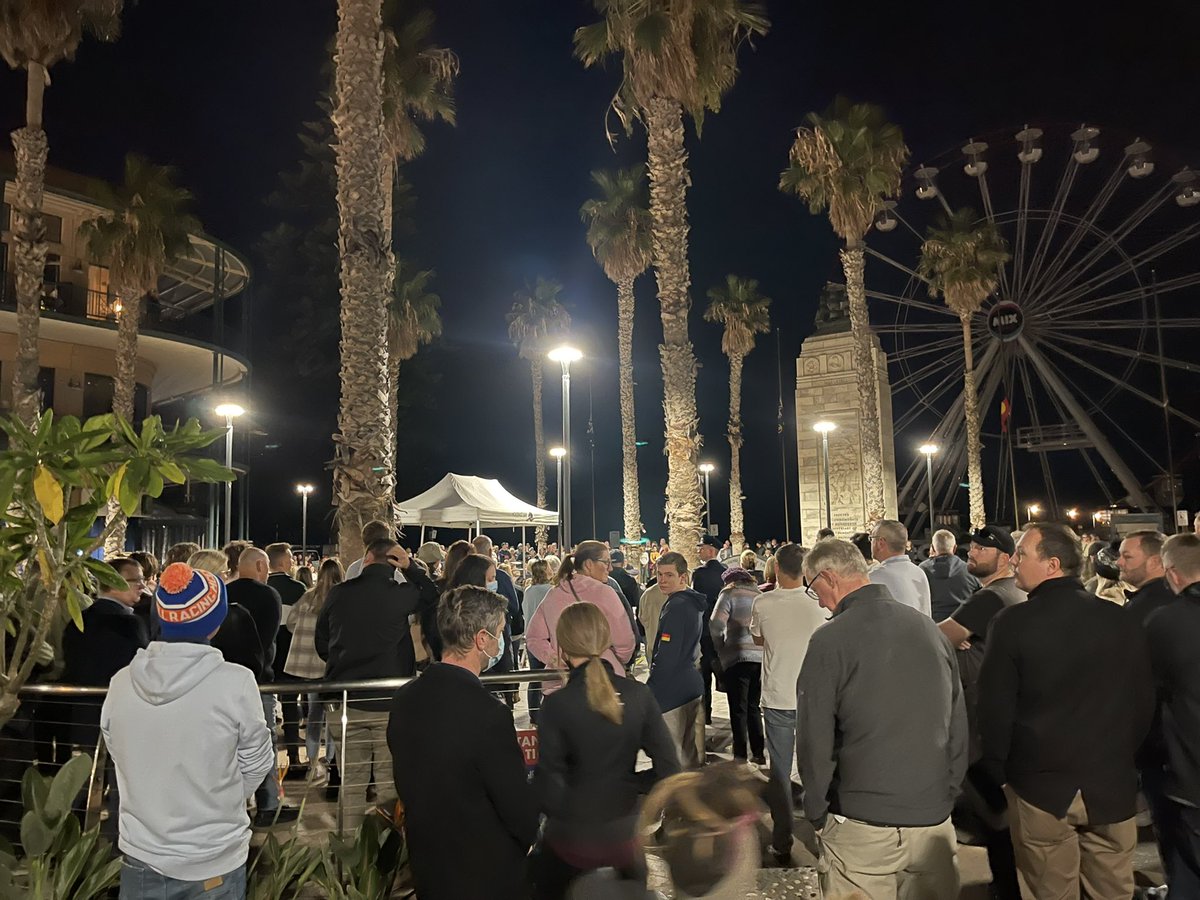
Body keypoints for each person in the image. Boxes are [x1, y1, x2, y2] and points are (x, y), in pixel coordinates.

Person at [978, 523, 1154, 900]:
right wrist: (1126, 759)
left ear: (1052, 564)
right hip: (1111, 783)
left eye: (1022, 554)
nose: (1014, 562)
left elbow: (994, 708)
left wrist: (1000, 772)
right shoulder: (1120, 619)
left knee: (1049, 891)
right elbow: (1143, 702)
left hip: (1039, 787)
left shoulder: (1012, 623)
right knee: (1113, 889)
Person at [797, 539, 966, 900]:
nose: (820, 601)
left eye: (814, 589)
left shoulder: (830, 640)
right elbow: (957, 724)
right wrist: (948, 791)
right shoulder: (929, 629)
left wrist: (817, 811)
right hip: (932, 817)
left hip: (862, 825)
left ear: (829, 577)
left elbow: (815, 738)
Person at [101, 562, 274, 898]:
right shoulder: (236, 683)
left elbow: (116, 749)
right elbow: (257, 761)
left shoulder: (121, 683)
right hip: (214, 856)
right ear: (215, 623)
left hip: (142, 852)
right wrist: (219, 799)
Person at [388, 586, 538, 900]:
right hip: (486, 870)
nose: (499, 642)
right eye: (498, 633)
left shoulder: (404, 699)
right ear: (481, 639)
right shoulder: (489, 714)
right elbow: (515, 806)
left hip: (428, 863)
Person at [531, 603, 680, 899]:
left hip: (570, 840)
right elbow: (670, 769)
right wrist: (632, 786)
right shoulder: (639, 695)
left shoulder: (558, 705)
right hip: (624, 838)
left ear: (562, 646)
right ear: (605, 640)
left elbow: (548, 789)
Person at [936, 525, 1026, 900]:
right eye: (971, 546)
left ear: (1005, 559)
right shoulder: (1014, 592)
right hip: (1015, 716)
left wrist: (959, 640)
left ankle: (1006, 887)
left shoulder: (989, 598)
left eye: (982, 549)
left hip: (983, 720)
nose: (972, 552)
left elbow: (937, 636)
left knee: (996, 814)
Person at [316, 538, 429, 829]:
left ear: (366, 559)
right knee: (389, 784)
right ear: (395, 563)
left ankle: (351, 856)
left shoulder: (339, 594)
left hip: (345, 702)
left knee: (351, 784)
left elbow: (322, 642)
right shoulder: (401, 594)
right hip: (389, 703)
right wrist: (413, 568)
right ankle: (384, 854)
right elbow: (433, 595)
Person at [749, 542, 827, 863]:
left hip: (779, 695)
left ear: (777, 569)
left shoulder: (763, 602)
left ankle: (782, 839)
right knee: (818, 767)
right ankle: (822, 834)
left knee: (780, 772)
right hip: (815, 697)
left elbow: (758, 638)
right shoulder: (820, 603)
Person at [1145, 533, 1200, 894]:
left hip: (1189, 772)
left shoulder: (1163, 623)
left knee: (1186, 869)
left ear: (1172, 574)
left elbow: (1146, 692)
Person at [526, 542, 637, 696]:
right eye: (606, 562)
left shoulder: (553, 594)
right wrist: (615, 661)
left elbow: (533, 638)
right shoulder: (606, 593)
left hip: (561, 686)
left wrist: (555, 660)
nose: (610, 568)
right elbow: (624, 641)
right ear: (589, 564)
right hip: (603, 683)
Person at [284, 558, 343, 792]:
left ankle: (310, 760)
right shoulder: (341, 598)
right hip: (330, 665)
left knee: (314, 716)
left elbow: (290, 623)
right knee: (333, 717)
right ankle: (329, 759)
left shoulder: (308, 597)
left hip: (306, 665)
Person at [648, 552, 707, 769]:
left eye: (669, 575)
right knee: (689, 754)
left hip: (672, 690)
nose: (662, 580)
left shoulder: (677, 606)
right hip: (689, 684)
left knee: (673, 757)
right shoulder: (690, 603)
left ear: (683, 577)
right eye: (660, 574)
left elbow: (667, 656)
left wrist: (652, 686)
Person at [708, 566, 764, 764]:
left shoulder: (729, 593)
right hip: (759, 658)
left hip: (738, 656)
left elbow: (715, 625)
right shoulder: (759, 594)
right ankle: (758, 753)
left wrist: (721, 648)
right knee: (753, 707)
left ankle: (740, 755)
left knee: (738, 709)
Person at [266, 541, 307, 777]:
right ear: (282, 562)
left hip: (267, 654)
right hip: (290, 652)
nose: (293, 562)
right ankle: (293, 756)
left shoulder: (263, 587)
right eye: (291, 558)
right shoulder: (297, 588)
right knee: (290, 704)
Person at [691, 536, 726, 726]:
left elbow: (697, 602)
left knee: (704, 675)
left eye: (701, 548)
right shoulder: (725, 572)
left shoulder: (699, 574)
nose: (699, 551)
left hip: (704, 631)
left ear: (711, 551)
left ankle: (707, 714)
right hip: (722, 632)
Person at [869, 519, 932, 616]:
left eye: (871, 538)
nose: (870, 543)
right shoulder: (919, 572)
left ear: (880, 543)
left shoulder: (874, 577)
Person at [922, 529, 981, 622]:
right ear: (954, 548)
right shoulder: (971, 571)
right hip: (963, 627)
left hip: (932, 627)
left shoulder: (922, 570)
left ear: (932, 548)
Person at [1118, 529, 1173, 629]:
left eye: (1127, 557)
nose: (1118, 562)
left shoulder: (1141, 608)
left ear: (1155, 562)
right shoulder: (1180, 595)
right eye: (1120, 556)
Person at [522, 559, 555, 722]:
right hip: (547, 638)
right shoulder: (551, 591)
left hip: (530, 637)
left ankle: (533, 713)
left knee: (534, 677)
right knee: (551, 676)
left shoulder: (528, 591)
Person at [608, 549, 642, 613]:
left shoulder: (604, 578)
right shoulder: (630, 580)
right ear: (623, 562)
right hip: (625, 615)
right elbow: (636, 602)